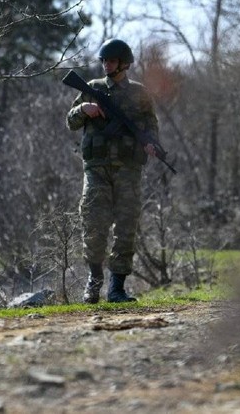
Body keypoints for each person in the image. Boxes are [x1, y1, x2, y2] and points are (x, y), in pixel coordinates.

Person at [66, 38, 159, 304]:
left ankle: (116, 288)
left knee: (126, 227)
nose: (107, 65)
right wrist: (83, 109)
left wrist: (152, 144)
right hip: (96, 170)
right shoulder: (92, 88)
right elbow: (71, 121)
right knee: (93, 224)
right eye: (104, 61)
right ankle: (94, 282)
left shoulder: (140, 94)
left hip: (129, 170)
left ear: (124, 63)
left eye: (112, 61)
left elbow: (151, 127)